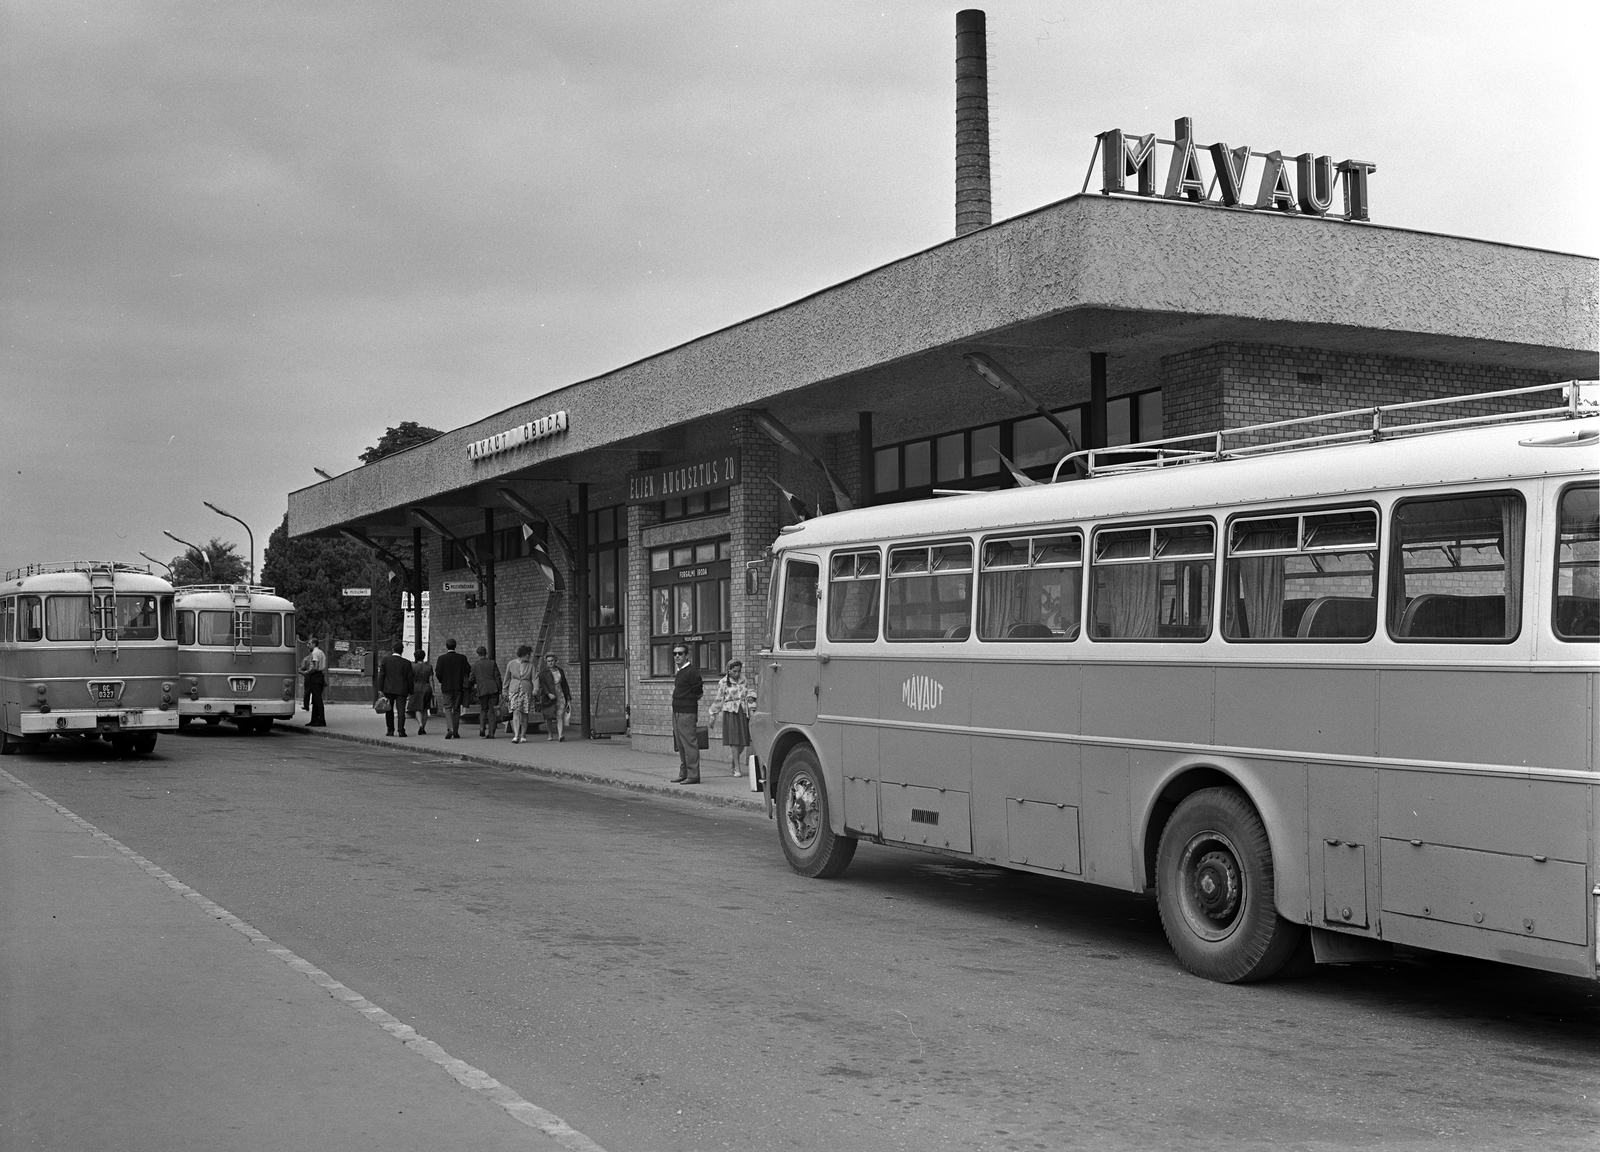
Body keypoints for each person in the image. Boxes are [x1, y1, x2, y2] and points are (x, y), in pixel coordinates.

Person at [710, 659, 755, 777]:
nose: (737, 674)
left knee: (743, 741)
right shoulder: (723, 682)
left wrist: (751, 700)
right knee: (735, 740)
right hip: (731, 712)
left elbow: (749, 692)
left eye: (739, 671)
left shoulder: (744, 680)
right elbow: (719, 699)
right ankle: (737, 767)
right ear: (728, 671)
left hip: (743, 711)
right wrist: (713, 715)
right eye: (734, 671)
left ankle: (733, 760)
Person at [670, 643, 702, 784]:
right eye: (675, 653)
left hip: (687, 713)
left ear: (686, 655)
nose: (677, 656)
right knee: (680, 744)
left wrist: (688, 701)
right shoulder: (680, 671)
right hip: (677, 712)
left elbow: (698, 692)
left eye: (680, 653)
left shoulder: (691, 671)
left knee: (689, 744)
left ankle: (693, 775)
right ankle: (684, 773)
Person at [433, 638, 471, 739]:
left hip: (446, 686)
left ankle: (450, 729)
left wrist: (442, 680)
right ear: (455, 646)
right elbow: (468, 669)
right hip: (458, 686)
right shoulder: (462, 658)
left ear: (446, 646)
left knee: (447, 708)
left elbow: (438, 673)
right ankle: (456, 731)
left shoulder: (441, 658)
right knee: (457, 709)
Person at [377, 641, 415, 737]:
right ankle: (401, 730)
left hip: (388, 688)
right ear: (402, 651)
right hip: (402, 690)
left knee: (389, 710)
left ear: (393, 649)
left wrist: (380, 689)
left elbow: (382, 675)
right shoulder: (406, 663)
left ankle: (390, 730)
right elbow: (410, 678)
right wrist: (411, 691)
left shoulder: (385, 659)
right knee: (401, 710)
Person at [535, 652, 572, 742]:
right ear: (546, 662)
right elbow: (543, 685)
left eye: (552, 661)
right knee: (549, 715)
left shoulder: (560, 671)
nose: (550, 663)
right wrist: (548, 693)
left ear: (555, 660)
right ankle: (550, 733)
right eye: (548, 661)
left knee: (560, 714)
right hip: (549, 696)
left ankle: (560, 735)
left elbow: (565, 684)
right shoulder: (543, 673)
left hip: (560, 694)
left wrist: (568, 697)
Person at [467, 645, 502, 739]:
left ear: (478, 654)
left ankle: (482, 727)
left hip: (482, 689)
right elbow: (497, 677)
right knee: (492, 710)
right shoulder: (492, 663)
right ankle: (491, 733)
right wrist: (500, 689)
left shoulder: (475, 665)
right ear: (486, 653)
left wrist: (478, 682)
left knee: (483, 709)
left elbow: (471, 679)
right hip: (493, 688)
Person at [504, 644, 536, 743]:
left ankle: (523, 734)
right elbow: (507, 678)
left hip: (526, 690)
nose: (529, 656)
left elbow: (535, 678)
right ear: (522, 654)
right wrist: (504, 690)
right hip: (514, 690)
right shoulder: (511, 664)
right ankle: (516, 735)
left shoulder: (531, 665)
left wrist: (536, 689)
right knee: (516, 712)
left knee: (525, 713)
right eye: (528, 654)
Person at [300, 636, 327, 727]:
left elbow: (315, 667)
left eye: (309, 644)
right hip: (320, 676)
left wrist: (307, 672)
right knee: (315, 699)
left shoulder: (315, 653)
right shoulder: (321, 652)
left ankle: (321, 720)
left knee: (317, 699)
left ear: (314, 644)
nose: (308, 645)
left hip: (315, 676)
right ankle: (314, 720)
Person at [407, 649, 435, 735]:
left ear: (415, 657)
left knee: (418, 708)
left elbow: (411, 680)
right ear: (424, 656)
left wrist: (409, 690)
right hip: (427, 687)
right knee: (425, 708)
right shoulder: (429, 666)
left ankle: (420, 724)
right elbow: (431, 679)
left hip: (417, 687)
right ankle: (424, 727)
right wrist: (433, 691)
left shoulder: (413, 667)